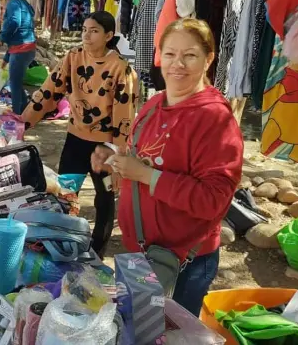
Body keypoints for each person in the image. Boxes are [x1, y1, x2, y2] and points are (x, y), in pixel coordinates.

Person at [91, 18, 243, 316]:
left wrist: (146, 175)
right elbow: (143, 157)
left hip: (183, 262)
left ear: (209, 58)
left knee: (169, 334)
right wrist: (114, 161)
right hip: (141, 253)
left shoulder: (215, 119)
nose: (178, 64)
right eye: (171, 54)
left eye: (190, 55)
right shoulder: (154, 104)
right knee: (138, 330)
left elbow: (214, 200)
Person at [21, 11, 137, 256]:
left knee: (104, 200)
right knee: (64, 195)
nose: (87, 35)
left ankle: (97, 250)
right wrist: (24, 121)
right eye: (84, 29)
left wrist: (117, 154)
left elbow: (124, 116)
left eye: (94, 31)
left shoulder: (121, 69)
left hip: (104, 148)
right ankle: (62, 244)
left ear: (108, 35)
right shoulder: (73, 58)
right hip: (75, 140)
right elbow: (50, 90)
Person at [0, 0, 36, 114]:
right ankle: (25, 110)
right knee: (16, 82)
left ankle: (17, 114)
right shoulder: (22, 3)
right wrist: (6, 60)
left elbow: (14, 23)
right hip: (27, 48)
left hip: (21, 49)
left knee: (14, 84)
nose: (1, 5)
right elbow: (16, 36)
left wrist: (1, 37)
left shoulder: (13, 3)